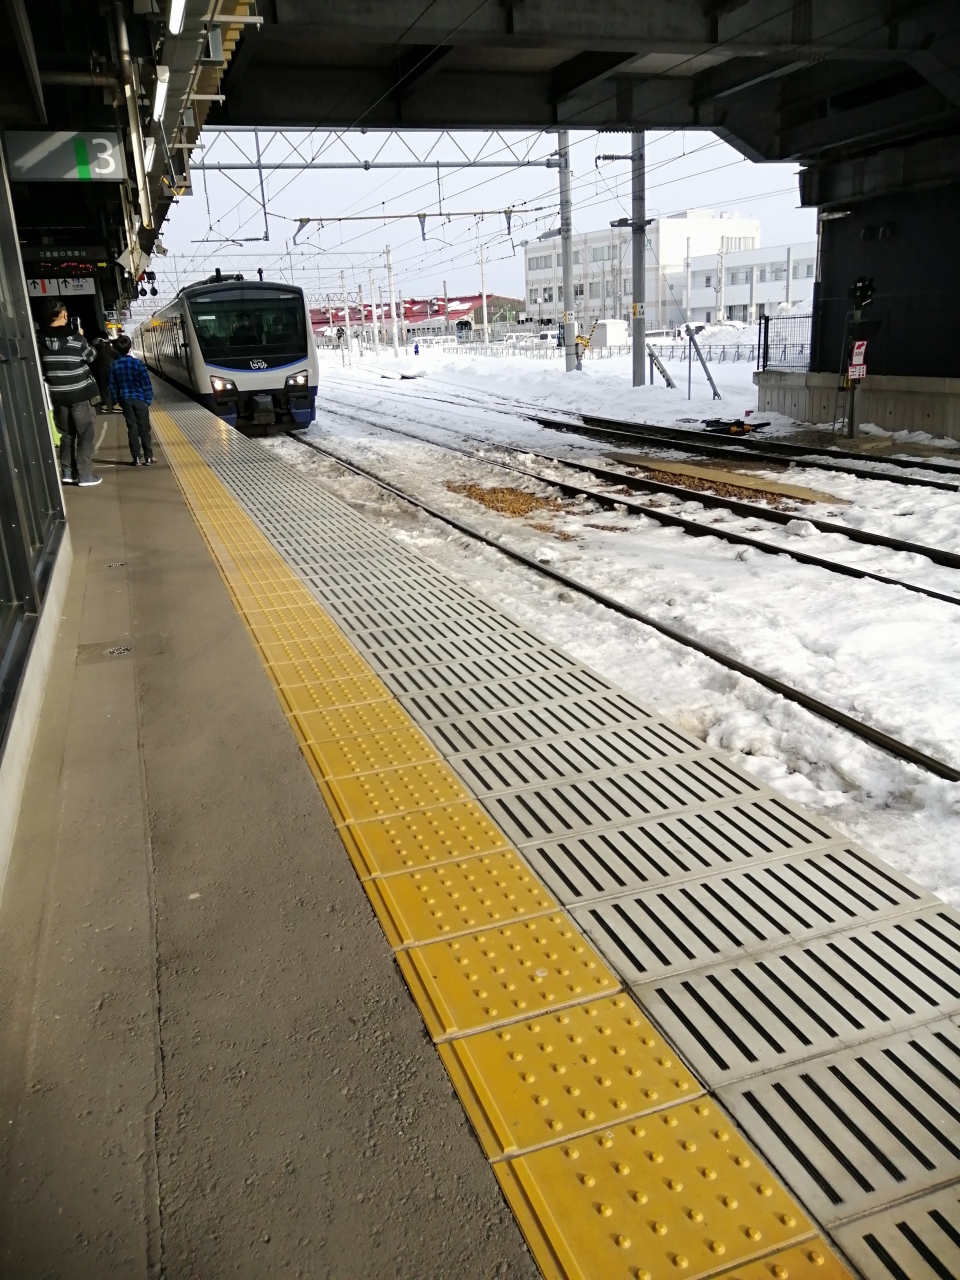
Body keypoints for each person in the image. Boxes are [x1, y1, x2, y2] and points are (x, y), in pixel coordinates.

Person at [37, 298, 102, 487]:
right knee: (85, 433)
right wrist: (81, 336)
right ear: (64, 314)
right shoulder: (75, 338)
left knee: (66, 434)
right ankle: (84, 475)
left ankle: (67, 472)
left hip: (57, 395)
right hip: (79, 394)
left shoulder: (38, 339)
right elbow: (92, 356)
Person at [108, 335, 155, 465]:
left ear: (117, 350)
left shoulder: (114, 366)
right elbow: (146, 383)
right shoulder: (137, 363)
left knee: (132, 428)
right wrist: (148, 399)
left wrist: (117, 400)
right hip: (140, 400)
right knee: (144, 428)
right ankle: (149, 457)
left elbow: (112, 385)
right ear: (130, 348)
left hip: (125, 400)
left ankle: (136, 458)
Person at [93, 333, 121, 411]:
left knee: (103, 388)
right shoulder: (107, 346)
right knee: (113, 386)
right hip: (108, 369)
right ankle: (115, 404)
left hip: (99, 370)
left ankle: (103, 405)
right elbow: (117, 355)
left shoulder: (95, 347)